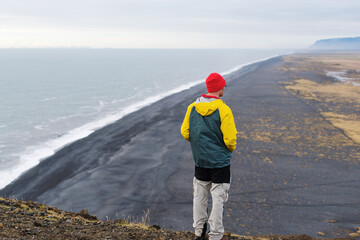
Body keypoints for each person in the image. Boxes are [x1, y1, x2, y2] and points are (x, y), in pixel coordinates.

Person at [181, 72, 237, 240]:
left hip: (200, 160)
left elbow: (185, 132)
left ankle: (199, 232)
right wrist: (228, 149)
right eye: (223, 86)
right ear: (220, 88)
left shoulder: (192, 107)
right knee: (218, 198)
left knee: (199, 196)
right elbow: (230, 139)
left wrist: (200, 144)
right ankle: (215, 235)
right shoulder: (224, 109)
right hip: (220, 163)